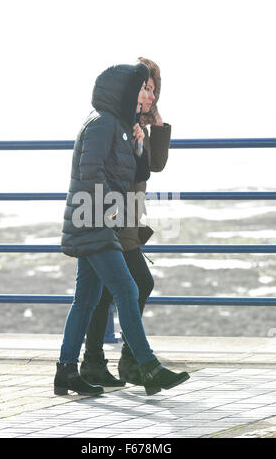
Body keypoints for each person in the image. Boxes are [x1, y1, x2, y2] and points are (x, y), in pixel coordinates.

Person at [54, 62, 190, 397]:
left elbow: (135, 171)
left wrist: (140, 143)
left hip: (97, 221)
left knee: (85, 299)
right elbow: (93, 175)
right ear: (124, 92)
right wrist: (110, 216)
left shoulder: (118, 125)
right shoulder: (102, 124)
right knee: (128, 290)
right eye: (139, 89)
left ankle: (67, 372)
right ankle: (147, 366)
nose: (145, 95)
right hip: (95, 222)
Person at [79, 58, 174, 388]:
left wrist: (156, 125)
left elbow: (155, 164)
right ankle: (129, 362)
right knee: (137, 285)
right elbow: (129, 170)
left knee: (103, 294)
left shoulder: (136, 125)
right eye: (144, 88)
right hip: (114, 220)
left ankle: (95, 363)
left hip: (127, 220)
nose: (149, 95)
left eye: (152, 89)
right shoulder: (117, 124)